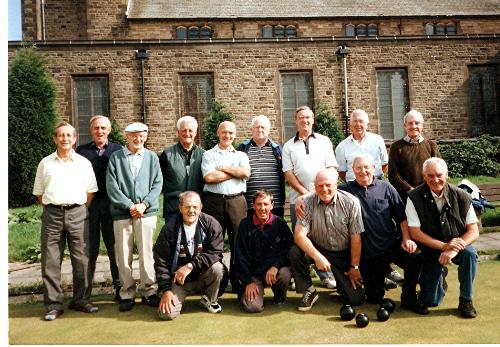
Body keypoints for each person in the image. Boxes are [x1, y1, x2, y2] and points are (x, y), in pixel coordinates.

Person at [339, 155, 428, 314]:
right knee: (374, 297)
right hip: (368, 254)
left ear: (374, 168)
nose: (363, 171)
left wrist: (407, 238)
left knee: (415, 256)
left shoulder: (386, 188)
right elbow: (322, 190)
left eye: (366, 167)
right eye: (358, 168)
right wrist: (301, 199)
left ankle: (409, 296)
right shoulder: (345, 191)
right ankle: (381, 282)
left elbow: (401, 218)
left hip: (391, 245)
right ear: (352, 170)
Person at [33, 122, 98, 321]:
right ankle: (53, 304)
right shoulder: (45, 163)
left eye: (69, 135)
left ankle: (81, 300)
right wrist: (56, 207)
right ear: (55, 139)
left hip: (78, 213)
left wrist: (77, 209)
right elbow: (40, 193)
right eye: (61, 135)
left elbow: (90, 192)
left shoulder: (83, 163)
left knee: (82, 259)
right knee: (51, 260)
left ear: (75, 138)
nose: (65, 139)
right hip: (52, 215)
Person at [406, 157, 479, 318]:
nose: (435, 180)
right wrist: (443, 247)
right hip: (430, 249)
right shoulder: (413, 197)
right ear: (424, 176)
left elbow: (473, 230)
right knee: (431, 301)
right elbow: (415, 232)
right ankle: (439, 277)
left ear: (447, 174)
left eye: (439, 175)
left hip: (457, 246)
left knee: (470, 254)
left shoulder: (462, 196)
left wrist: (452, 250)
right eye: (430, 176)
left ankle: (466, 300)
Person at [106, 122, 163, 312]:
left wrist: (144, 204)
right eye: (134, 136)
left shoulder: (152, 157)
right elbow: (112, 186)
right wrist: (130, 205)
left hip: (146, 212)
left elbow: (157, 183)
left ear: (146, 137)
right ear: (127, 136)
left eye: (141, 136)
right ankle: (127, 293)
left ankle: (149, 291)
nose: (138, 139)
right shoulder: (116, 158)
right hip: (123, 213)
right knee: (123, 254)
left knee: (147, 253)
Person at [289, 169, 365, 311]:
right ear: (314, 187)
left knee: (355, 299)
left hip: (342, 253)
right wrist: (318, 257)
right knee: (295, 252)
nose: (324, 189)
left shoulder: (351, 202)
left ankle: (343, 286)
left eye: (328, 185)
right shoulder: (307, 202)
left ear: (336, 185)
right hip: (318, 248)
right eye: (320, 186)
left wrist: (354, 266)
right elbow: (299, 236)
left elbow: (356, 237)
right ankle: (308, 290)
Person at [282, 105, 338, 289]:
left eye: (308, 117)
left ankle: (326, 274)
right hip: (299, 200)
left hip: (324, 197)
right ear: (295, 121)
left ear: (312, 120)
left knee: (322, 235)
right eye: (301, 118)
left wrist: (319, 192)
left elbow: (331, 168)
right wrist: (306, 194)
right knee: (300, 238)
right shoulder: (289, 146)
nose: (304, 121)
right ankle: (303, 279)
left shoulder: (324, 141)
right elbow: (289, 174)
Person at [154, 191, 226, 320]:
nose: (191, 210)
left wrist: (191, 265)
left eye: (195, 207)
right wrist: (166, 290)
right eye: (187, 206)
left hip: (203, 276)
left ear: (201, 207)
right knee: (166, 314)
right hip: (179, 281)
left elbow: (215, 253)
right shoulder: (169, 229)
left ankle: (209, 299)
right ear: (180, 208)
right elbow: (161, 261)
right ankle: (173, 296)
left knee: (217, 268)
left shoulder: (211, 224)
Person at [76, 115, 122, 301]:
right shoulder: (81, 151)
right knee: (89, 249)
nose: (100, 131)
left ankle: (120, 290)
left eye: (103, 128)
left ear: (109, 130)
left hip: (112, 205)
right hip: (90, 206)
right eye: (96, 128)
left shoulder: (118, 150)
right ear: (91, 130)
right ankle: (85, 293)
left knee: (115, 249)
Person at [201, 121, 250, 292]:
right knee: (215, 242)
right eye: (224, 132)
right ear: (218, 133)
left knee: (238, 241)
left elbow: (245, 173)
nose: (227, 136)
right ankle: (218, 282)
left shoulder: (241, 155)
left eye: (230, 133)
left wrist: (223, 169)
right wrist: (234, 172)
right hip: (214, 202)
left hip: (237, 201)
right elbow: (209, 178)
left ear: (235, 135)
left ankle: (238, 281)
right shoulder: (208, 154)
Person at [234, 190, 293, 313]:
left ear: (272, 205)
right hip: (254, 275)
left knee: (285, 273)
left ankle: (279, 295)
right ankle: (245, 292)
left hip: (274, 271)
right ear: (253, 206)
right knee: (253, 307)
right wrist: (248, 281)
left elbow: (288, 249)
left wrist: (276, 266)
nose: (262, 208)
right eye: (259, 204)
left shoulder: (280, 223)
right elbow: (240, 257)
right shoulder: (245, 225)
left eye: (266, 204)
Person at [236, 115, 286, 218]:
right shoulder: (242, 149)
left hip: (274, 204)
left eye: (263, 127)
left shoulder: (277, 150)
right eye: (257, 127)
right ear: (252, 129)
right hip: (250, 204)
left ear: (268, 130)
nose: (260, 130)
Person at [388, 109, 441, 203]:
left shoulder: (431, 146)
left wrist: (427, 189)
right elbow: (393, 175)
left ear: (422, 125)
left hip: (429, 195)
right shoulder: (396, 147)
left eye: (417, 123)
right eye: (410, 123)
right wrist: (410, 190)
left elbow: (439, 171)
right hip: (406, 197)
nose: (414, 126)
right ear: (405, 126)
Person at [159, 116, 205, 223]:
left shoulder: (204, 155)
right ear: (178, 132)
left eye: (190, 130)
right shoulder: (167, 154)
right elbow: (160, 180)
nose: (187, 134)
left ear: (196, 133)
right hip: (173, 207)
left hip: (195, 208)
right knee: (173, 238)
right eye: (184, 130)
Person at [335, 109, 388, 182]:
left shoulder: (378, 140)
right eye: (355, 121)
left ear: (367, 124)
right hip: (353, 187)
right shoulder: (342, 147)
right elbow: (342, 172)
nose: (358, 124)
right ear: (350, 124)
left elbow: (385, 164)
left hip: (376, 183)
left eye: (361, 121)